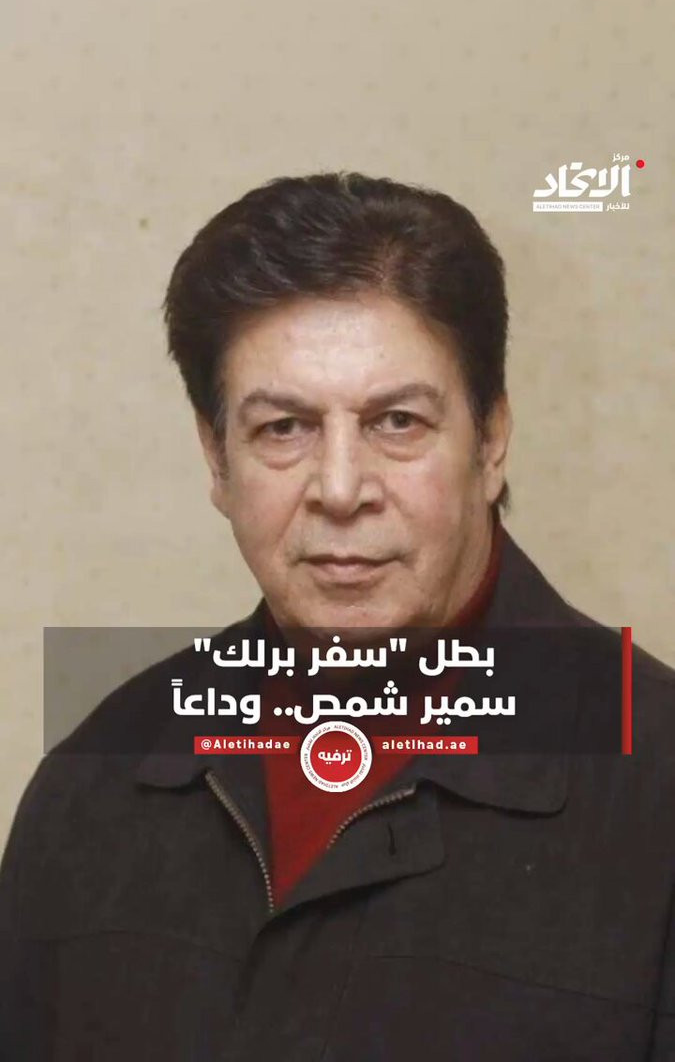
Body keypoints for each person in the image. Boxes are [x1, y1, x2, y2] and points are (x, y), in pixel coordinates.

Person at [1, 171, 673, 1060]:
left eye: (396, 421)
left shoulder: (655, 785)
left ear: (490, 441)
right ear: (216, 459)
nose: (341, 489)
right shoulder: (94, 780)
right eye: (284, 428)